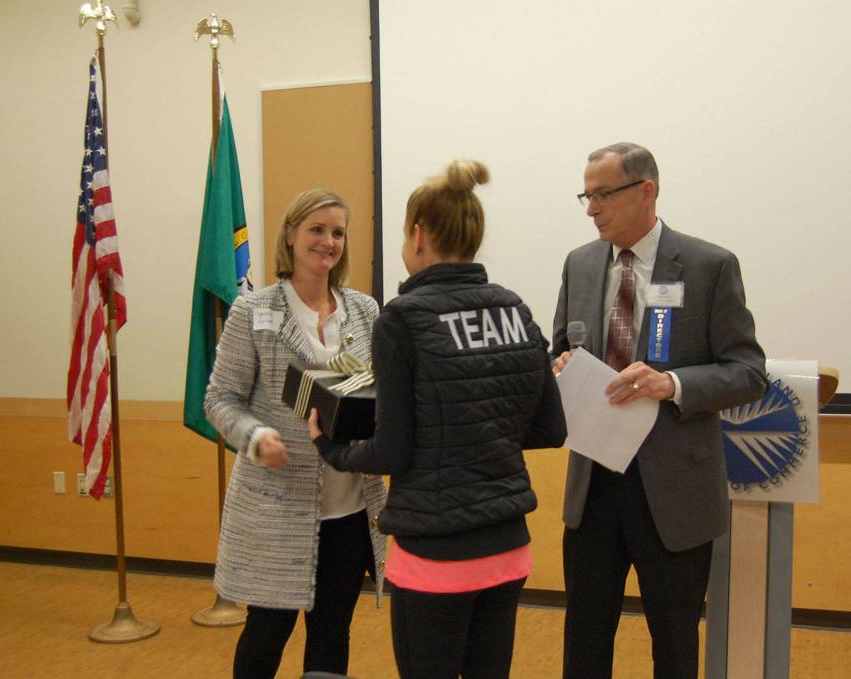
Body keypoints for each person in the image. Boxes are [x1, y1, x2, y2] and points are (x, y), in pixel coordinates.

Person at [309, 160, 566, 679]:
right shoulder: (514, 309)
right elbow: (551, 430)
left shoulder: (403, 319)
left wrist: (330, 448)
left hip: (435, 556)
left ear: (419, 235)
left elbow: (393, 451)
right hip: (508, 549)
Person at [552, 143, 767, 679]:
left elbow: (747, 371)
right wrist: (558, 368)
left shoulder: (708, 265)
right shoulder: (579, 264)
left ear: (645, 191)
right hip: (594, 484)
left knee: (673, 644)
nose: (591, 208)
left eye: (602, 194)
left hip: (673, 494)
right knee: (584, 636)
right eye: (587, 194)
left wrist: (669, 383)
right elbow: (559, 347)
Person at [204, 189, 387, 679]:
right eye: (318, 230)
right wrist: (256, 436)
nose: (329, 242)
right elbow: (219, 399)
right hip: (277, 507)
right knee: (267, 633)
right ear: (290, 234)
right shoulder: (253, 311)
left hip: (351, 508)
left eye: (338, 233)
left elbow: (377, 392)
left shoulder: (365, 311)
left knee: (332, 634)